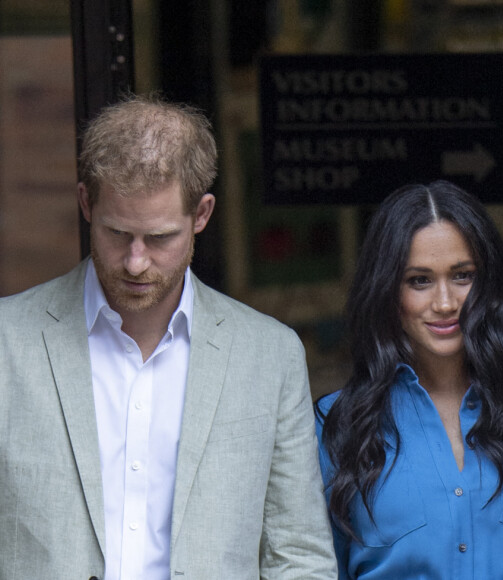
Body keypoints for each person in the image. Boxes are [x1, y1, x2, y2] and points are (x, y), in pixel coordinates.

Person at [0, 94, 337, 580]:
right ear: (85, 204)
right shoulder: (10, 342)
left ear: (201, 215)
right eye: (118, 234)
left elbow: (299, 555)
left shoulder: (269, 355)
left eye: (159, 238)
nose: (136, 262)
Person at [315, 180, 503, 579]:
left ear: (490, 283)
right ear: (387, 291)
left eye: (462, 276)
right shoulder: (337, 426)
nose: (444, 303)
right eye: (419, 280)